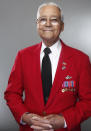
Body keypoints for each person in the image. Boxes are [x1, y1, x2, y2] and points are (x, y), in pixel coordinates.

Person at [4, 2, 91, 131]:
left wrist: (65, 120)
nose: (48, 24)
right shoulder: (23, 56)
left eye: (54, 20)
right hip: (31, 128)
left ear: (62, 26)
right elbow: (11, 94)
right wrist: (25, 116)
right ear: (37, 24)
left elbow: (88, 100)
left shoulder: (80, 59)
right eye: (43, 19)